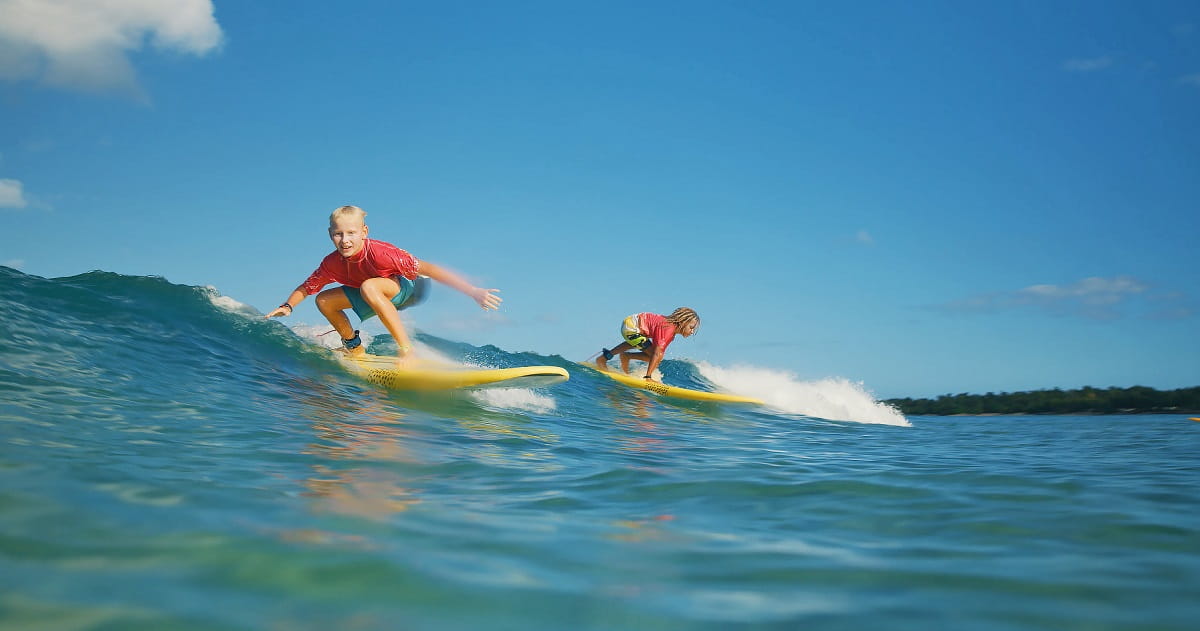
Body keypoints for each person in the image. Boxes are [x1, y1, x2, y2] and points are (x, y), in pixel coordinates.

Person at [265, 205, 501, 361]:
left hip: (409, 287)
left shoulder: (382, 253)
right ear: (330, 234)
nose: (345, 240)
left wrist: (473, 291)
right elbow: (307, 287)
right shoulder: (332, 263)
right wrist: (288, 306)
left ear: (364, 232)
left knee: (370, 286)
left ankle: (407, 351)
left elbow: (430, 269)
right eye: (338, 234)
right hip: (371, 292)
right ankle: (355, 350)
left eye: (351, 233)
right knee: (324, 300)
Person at [595, 308, 700, 382]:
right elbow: (656, 353)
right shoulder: (668, 329)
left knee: (639, 343)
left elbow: (658, 352)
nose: (691, 332)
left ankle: (609, 357)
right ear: (683, 322)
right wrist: (648, 377)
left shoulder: (669, 330)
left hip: (631, 324)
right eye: (691, 328)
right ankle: (622, 357)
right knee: (654, 355)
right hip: (631, 327)